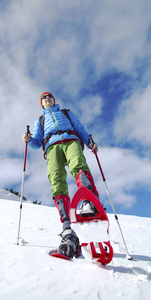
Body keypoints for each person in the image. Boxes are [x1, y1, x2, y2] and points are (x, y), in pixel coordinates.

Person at [22, 92, 99, 258]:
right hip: (51, 147)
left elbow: (79, 128)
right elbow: (36, 142)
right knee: (56, 179)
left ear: (54, 100)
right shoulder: (40, 120)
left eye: (49, 96)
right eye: (43, 98)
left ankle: (89, 202)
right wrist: (29, 139)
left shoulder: (65, 113)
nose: (47, 98)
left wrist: (89, 142)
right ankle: (66, 224)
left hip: (71, 140)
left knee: (79, 166)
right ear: (42, 104)